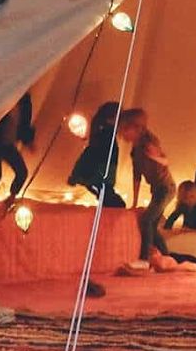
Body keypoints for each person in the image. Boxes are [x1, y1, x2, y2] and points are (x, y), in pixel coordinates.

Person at [119, 108, 176, 260]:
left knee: (147, 220)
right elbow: (136, 176)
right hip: (157, 189)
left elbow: (166, 161)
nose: (122, 133)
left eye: (125, 129)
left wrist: (155, 157)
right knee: (151, 225)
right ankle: (166, 257)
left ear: (136, 128)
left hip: (166, 188)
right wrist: (134, 202)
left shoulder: (149, 142)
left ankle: (145, 259)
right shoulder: (135, 149)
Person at [0, 93, 35, 211]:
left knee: (22, 172)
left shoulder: (24, 103)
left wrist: (29, 141)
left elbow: (25, 123)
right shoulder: (2, 97)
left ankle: (10, 199)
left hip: (7, 145)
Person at [68, 102, 125, 208]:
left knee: (109, 199)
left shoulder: (106, 135)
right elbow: (90, 154)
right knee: (114, 202)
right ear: (110, 120)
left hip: (99, 177)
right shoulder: (105, 136)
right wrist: (79, 174)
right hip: (98, 176)